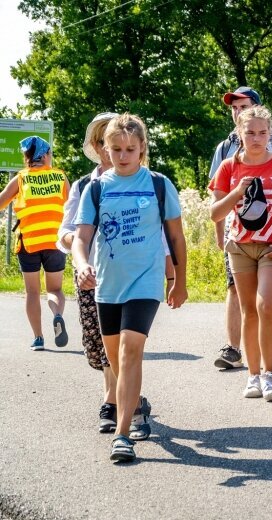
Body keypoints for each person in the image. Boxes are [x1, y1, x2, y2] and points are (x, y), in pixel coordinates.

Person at [72, 113, 188, 462]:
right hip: (107, 285)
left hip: (146, 282)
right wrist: (82, 266)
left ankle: (122, 435)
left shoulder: (157, 184)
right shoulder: (95, 189)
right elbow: (81, 238)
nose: (123, 156)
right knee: (116, 361)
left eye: (130, 149)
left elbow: (176, 235)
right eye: (117, 149)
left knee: (129, 352)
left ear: (142, 150)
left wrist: (179, 281)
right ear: (105, 150)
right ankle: (136, 405)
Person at [209, 105, 272, 401]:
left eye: (262, 132)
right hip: (241, 247)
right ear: (239, 133)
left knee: (266, 307)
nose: (257, 138)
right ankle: (253, 375)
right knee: (248, 311)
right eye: (250, 133)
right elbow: (215, 213)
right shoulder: (229, 167)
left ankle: (270, 374)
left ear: (270, 133)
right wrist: (236, 192)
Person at [57, 112, 119, 432]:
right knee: (97, 349)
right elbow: (65, 233)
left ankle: (113, 401)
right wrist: (80, 244)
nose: (114, 147)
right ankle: (126, 393)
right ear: (97, 145)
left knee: (118, 343)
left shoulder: (139, 182)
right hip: (89, 276)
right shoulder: (83, 185)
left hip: (124, 277)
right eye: (106, 141)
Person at [0, 136, 69, 351]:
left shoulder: (21, 179)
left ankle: (38, 338)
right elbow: (73, 207)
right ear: (46, 155)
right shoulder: (59, 177)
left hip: (29, 242)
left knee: (32, 292)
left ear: (27, 157)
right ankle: (57, 314)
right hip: (55, 240)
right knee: (55, 289)